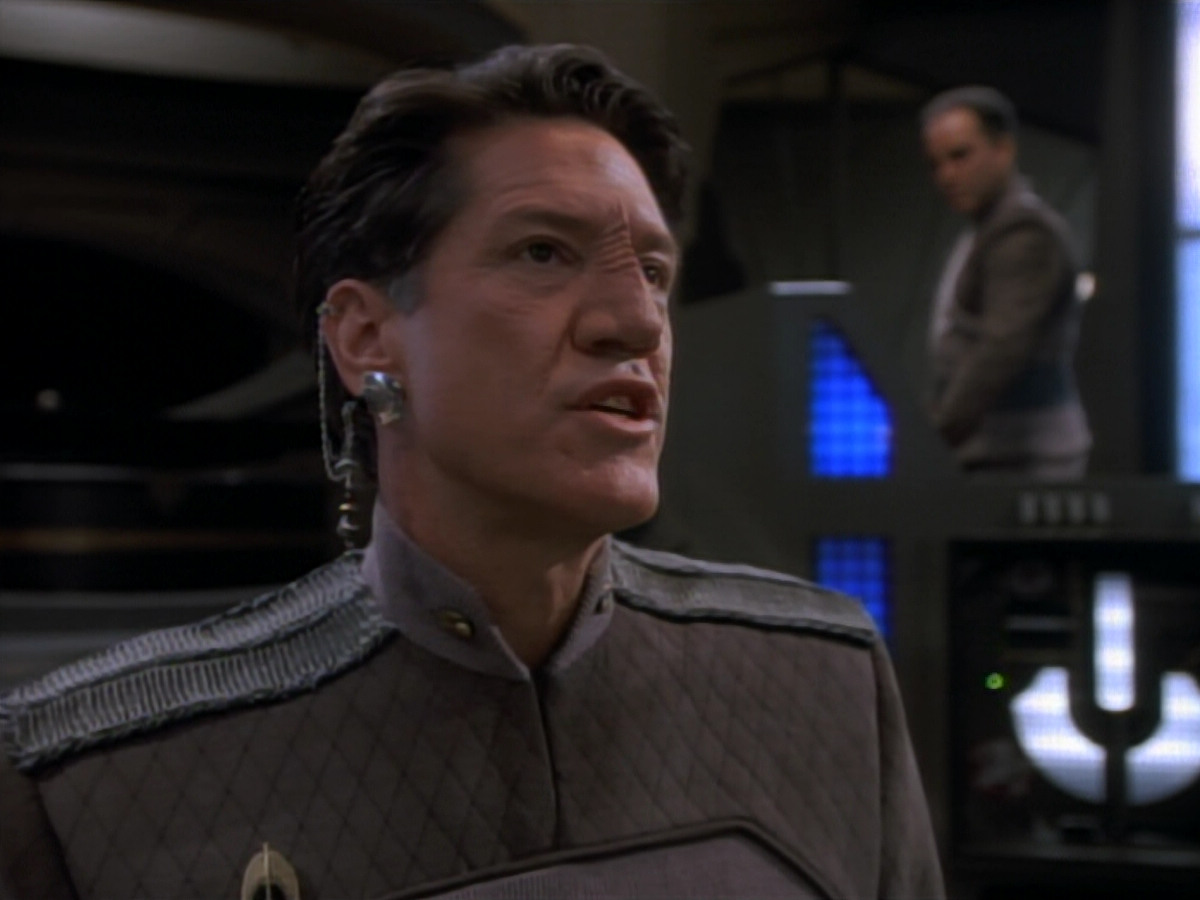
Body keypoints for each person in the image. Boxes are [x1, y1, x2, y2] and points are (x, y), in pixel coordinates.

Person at [0, 44, 943, 899]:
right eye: (543, 252)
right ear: (366, 338)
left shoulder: (823, 681)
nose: (636, 323)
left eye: (653, 271)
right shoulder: (94, 778)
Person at [921, 85, 1091, 478]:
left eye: (960, 156)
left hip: (1025, 455)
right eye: (935, 164)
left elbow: (1001, 349)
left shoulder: (1023, 233)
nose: (947, 175)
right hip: (994, 451)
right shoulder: (986, 231)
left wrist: (933, 435)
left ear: (1003, 149)